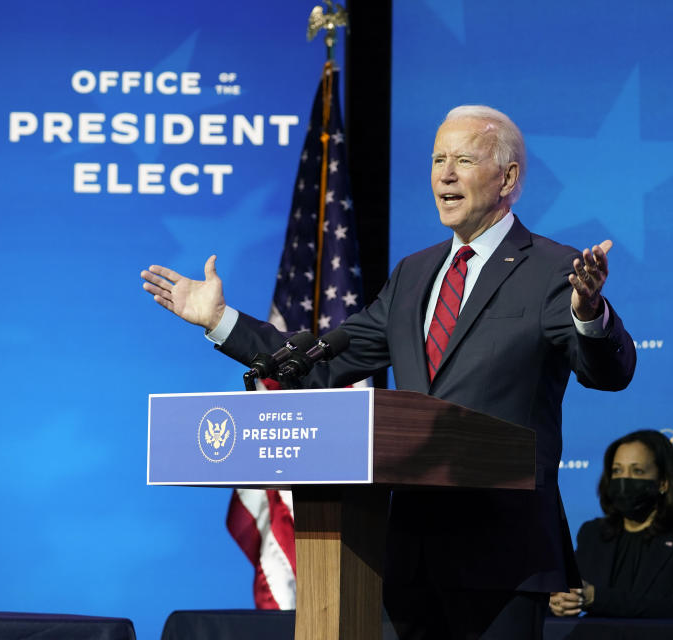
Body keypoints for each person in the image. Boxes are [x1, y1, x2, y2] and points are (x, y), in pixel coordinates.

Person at [141, 105, 636, 639]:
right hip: (410, 557)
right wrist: (221, 320)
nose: (444, 174)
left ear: (508, 178)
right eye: (437, 159)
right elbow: (324, 363)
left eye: (463, 160)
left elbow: (610, 372)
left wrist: (589, 314)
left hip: (502, 555)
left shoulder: (550, 268)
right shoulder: (414, 273)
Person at [549, 430, 673, 619]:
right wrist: (560, 603)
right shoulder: (593, 534)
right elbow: (574, 592)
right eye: (617, 471)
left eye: (637, 471)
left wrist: (596, 598)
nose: (624, 480)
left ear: (663, 483)